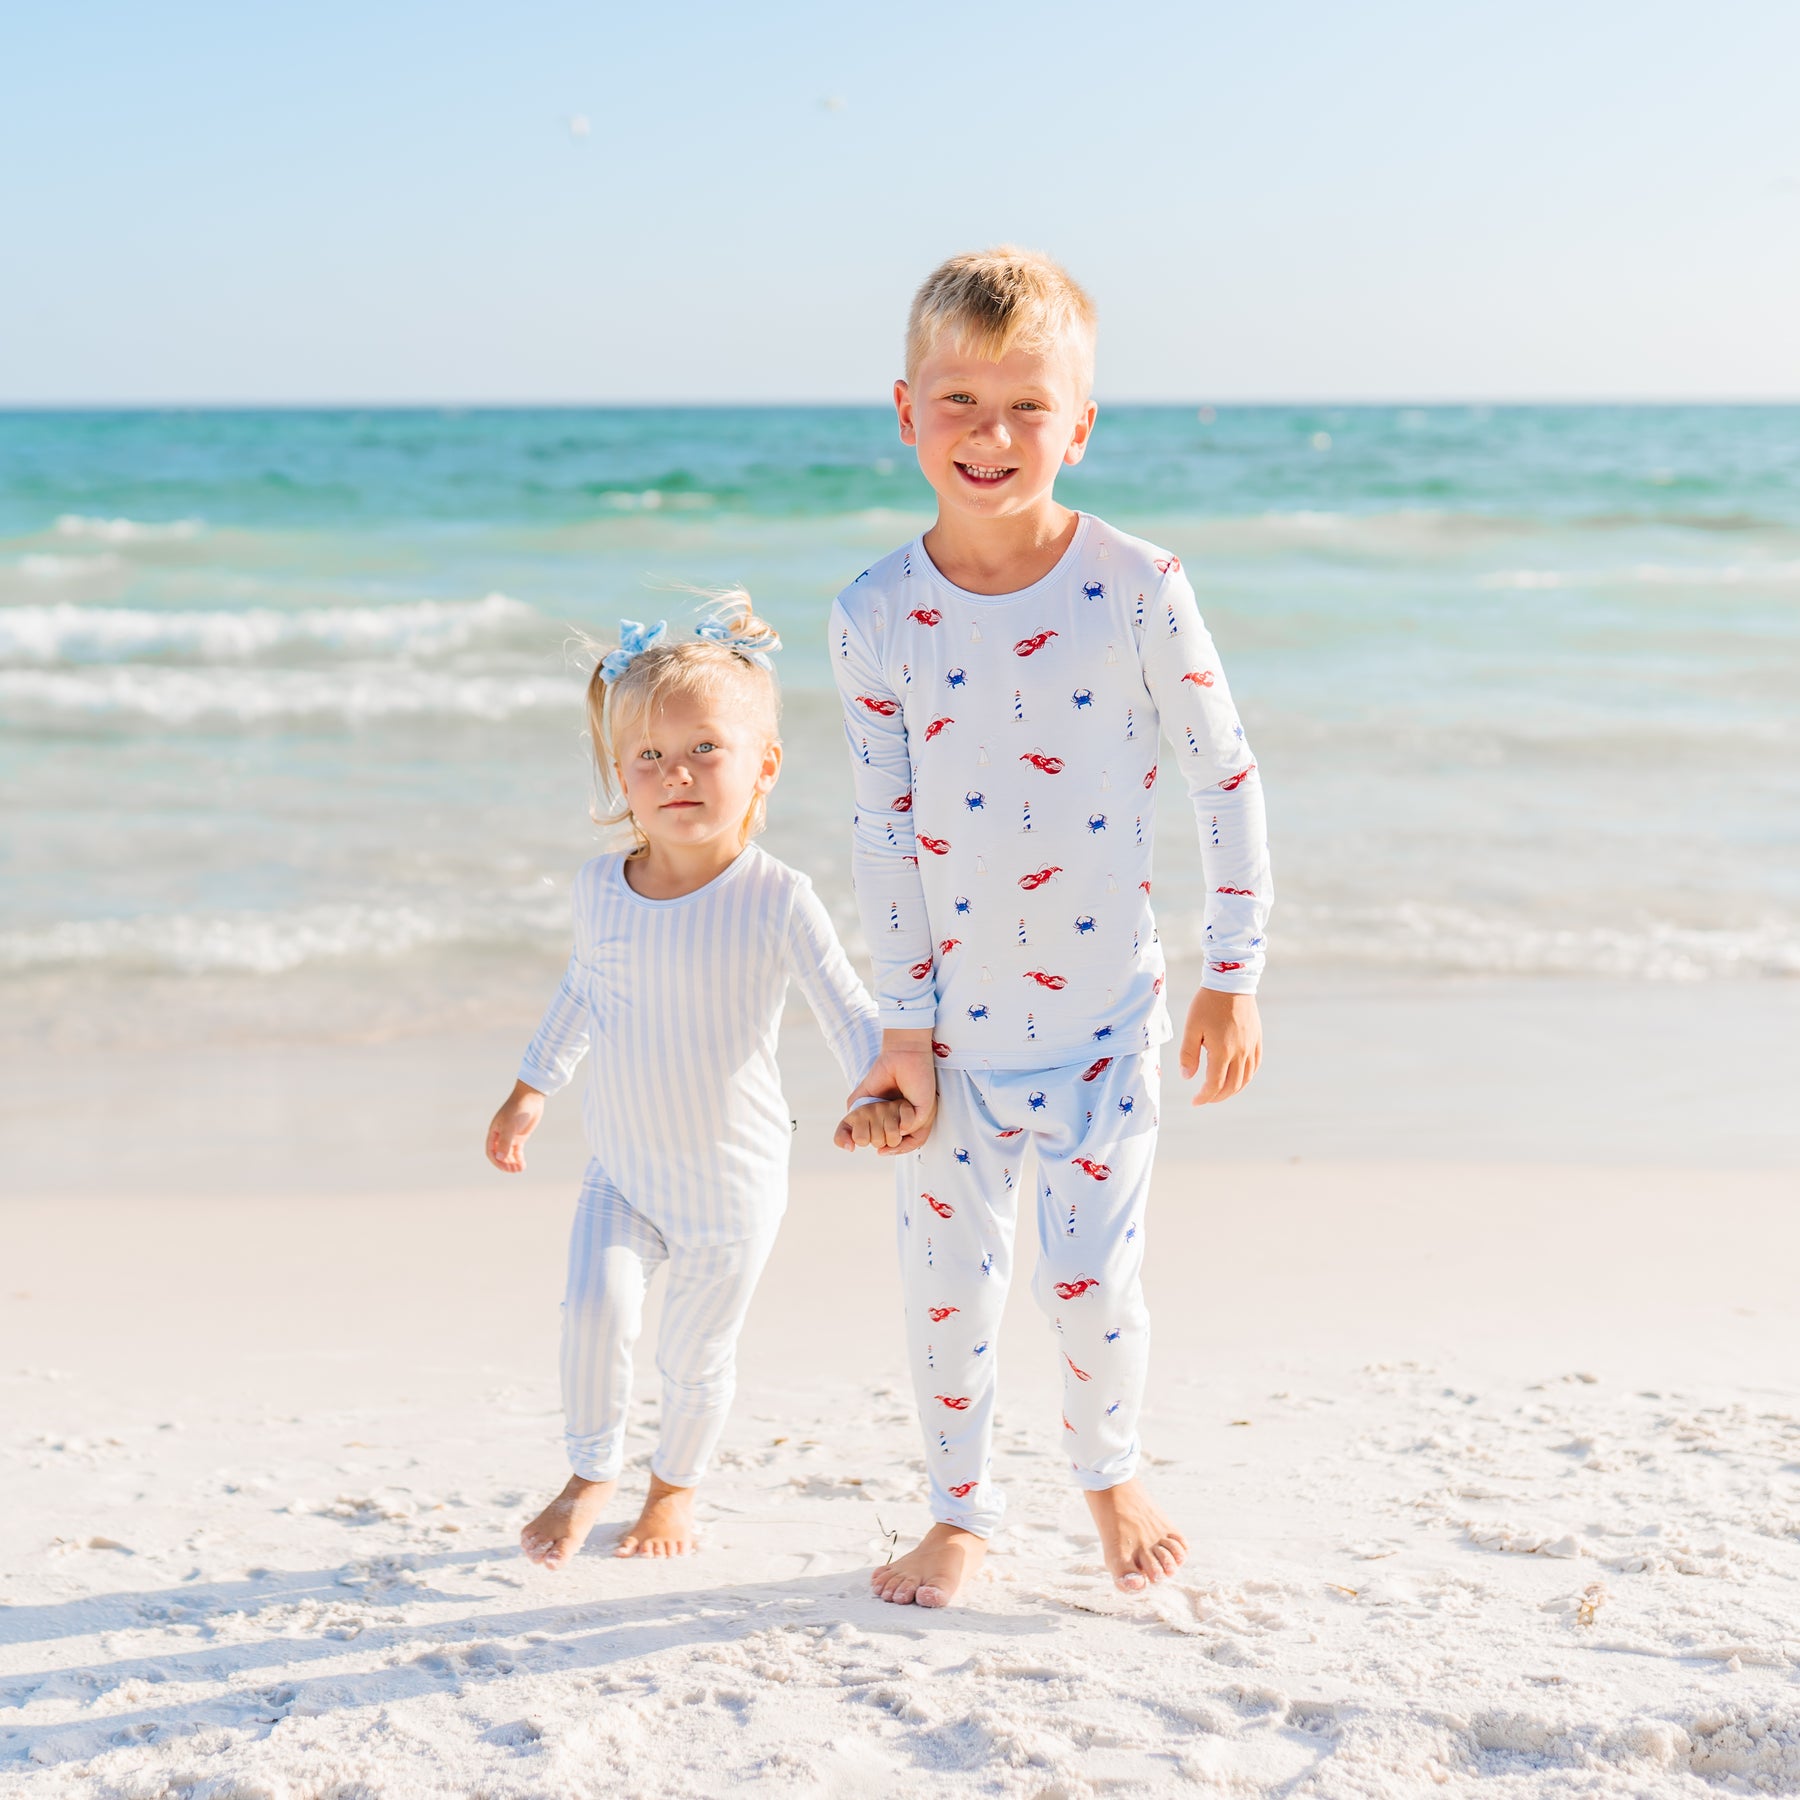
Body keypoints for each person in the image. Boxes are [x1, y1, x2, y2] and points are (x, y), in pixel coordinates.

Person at [831, 248, 1273, 1607]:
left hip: (1103, 1023)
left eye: (1029, 406)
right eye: (960, 401)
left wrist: (1231, 973)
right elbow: (884, 836)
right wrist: (902, 1035)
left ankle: (1110, 1477)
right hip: (954, 1042)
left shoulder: (1136, 583)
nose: (992, 434)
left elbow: (1224, 772)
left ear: (1080, 425)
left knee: (1093, 1288)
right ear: (906, 413)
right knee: (947, 1295)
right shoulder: (875, 615)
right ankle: (957, 1516)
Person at [488, 598, 909, 1568]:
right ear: (619, 777)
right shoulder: (600, 890)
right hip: (622, 1171)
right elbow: (584, 990)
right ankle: (591, 1470)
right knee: (593, 1313)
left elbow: (845, 1009)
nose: (674, 774)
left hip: (734, 1184)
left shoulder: (775, 896)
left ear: (762, 764)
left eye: (703, 749)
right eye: (647, 757)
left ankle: (671, 1491)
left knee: (692, 1359)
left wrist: (877, 1093)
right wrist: (530, 1087)